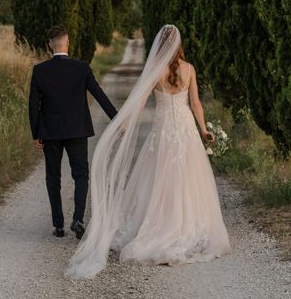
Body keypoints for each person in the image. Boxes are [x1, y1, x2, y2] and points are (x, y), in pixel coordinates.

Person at [65, 24, 230, 278]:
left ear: (159, 45)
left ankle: (157, 225)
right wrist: (204, 131)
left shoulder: (155, 71)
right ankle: (188, 227)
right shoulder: (190, 69)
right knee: (188, 180)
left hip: (162, 133)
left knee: (157, 180)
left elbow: (140, 103)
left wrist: (125, 124)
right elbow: (195, 103)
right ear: (179, 44)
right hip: (185, 133)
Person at [29, 25, 118, 239]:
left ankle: (58, 225)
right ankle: (78, 219)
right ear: (67, 42)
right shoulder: (82, 68)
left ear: (49, 45)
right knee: (81, 175)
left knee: (53, 177)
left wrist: (36, 133)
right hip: (77, 130)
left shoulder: (40, 70)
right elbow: (99, 94)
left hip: (50, 132)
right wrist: (117, 118)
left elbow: (33, 106)